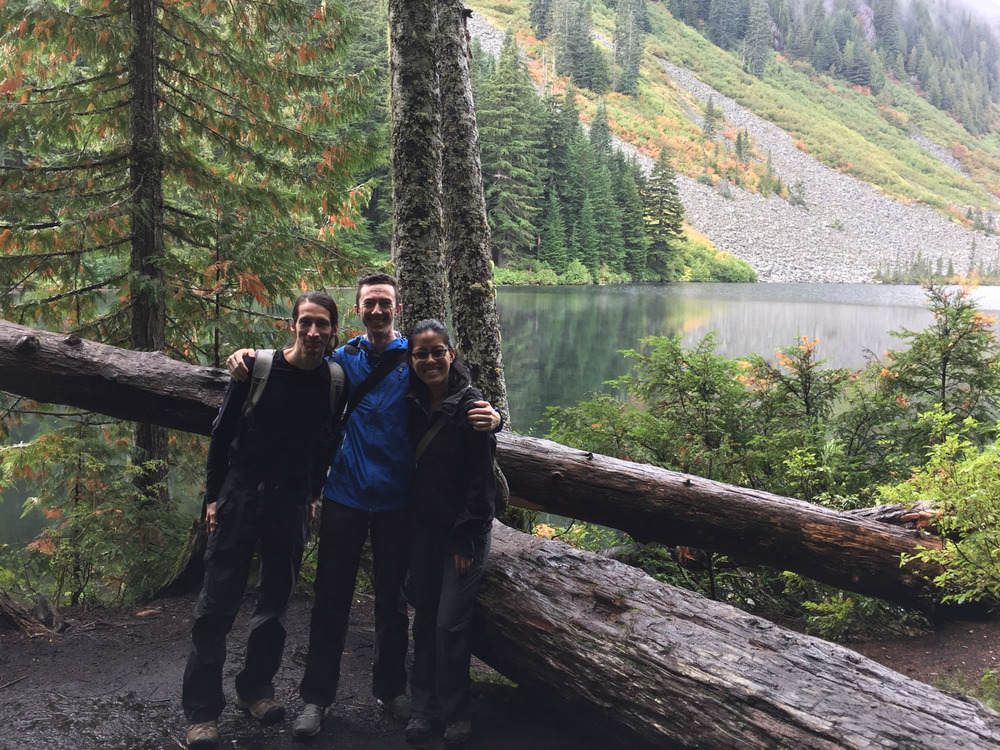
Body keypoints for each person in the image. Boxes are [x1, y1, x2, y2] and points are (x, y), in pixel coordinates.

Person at [225, 273, 500, 741]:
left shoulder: (410, 359)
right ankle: (317, 698)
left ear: (397, 308)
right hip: (344, 497)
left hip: (398, 501)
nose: (376, 311)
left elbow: (451, 384)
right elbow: (298, 363)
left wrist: (491, 416)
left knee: (392, 604)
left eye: (384, 304)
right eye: (369, 304)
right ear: (357, 309)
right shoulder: (341, 359)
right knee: (331, 599)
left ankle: (392, 689)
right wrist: (250, 357)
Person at [183, 292, 346, 750]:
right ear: (291, 325)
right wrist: (213, 498)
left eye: (323, 325)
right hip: (241, 496)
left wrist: (313, 492)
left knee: (274, 604)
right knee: (217, 603)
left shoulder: (334, 381)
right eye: (306, 323)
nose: (314, 333)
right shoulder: (258, 369)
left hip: (291, 502)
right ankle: (201, 712)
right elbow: (221, 435)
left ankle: (255, 690)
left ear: (334, 330)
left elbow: (327, 442)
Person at [402, 319, 495, 747]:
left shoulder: (472, 406)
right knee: (423, 619)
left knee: (449, 624)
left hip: (462, 534)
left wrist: (467, 539)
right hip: (421, 530)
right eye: (421, 354)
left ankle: (456, 708)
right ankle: (423, 708)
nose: (429, 360)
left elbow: (481, 482)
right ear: (412, 360)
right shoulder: (409, 400)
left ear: (451, 354)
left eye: (437, 351)